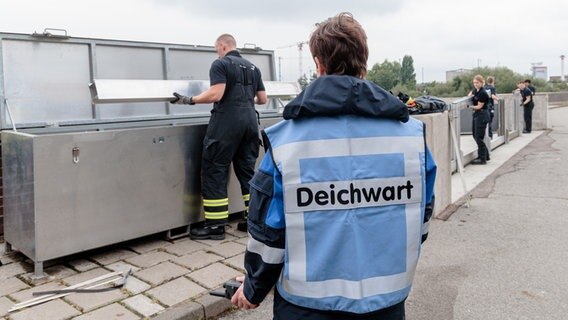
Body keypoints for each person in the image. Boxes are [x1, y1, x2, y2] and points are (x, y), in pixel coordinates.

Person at [231, 12, 437, 319]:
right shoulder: (412, 139)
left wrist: (253, 288)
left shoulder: (287, 143)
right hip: (386, 304)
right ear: (364, 62)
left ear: (318, 63)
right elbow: (420, 219)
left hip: (306, 307)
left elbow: (269, 235)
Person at [171, 34, 267, 240]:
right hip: (250, 123)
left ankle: (215, 227)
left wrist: (189, 100)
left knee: (215, 169)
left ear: (222, 46)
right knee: (247, 172)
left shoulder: (221, 64)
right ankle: (254, 221)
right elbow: (263, 99)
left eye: (217, 49)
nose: (217, 52)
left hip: (226, 125)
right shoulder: (253, 67)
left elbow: (216, 94)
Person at [468, 75, 490, 165]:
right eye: (474, 83)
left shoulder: (483, 93)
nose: (475, 84)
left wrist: (470, 106)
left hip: (482, 114)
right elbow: (469, 95)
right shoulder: (476, 91)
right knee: (475, 135)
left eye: (477, 83)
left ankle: (482, 159)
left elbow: (479, 106)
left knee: (478, 137)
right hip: (477, 114)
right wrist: (472, 93)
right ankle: (486, 155)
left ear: (482, 82)